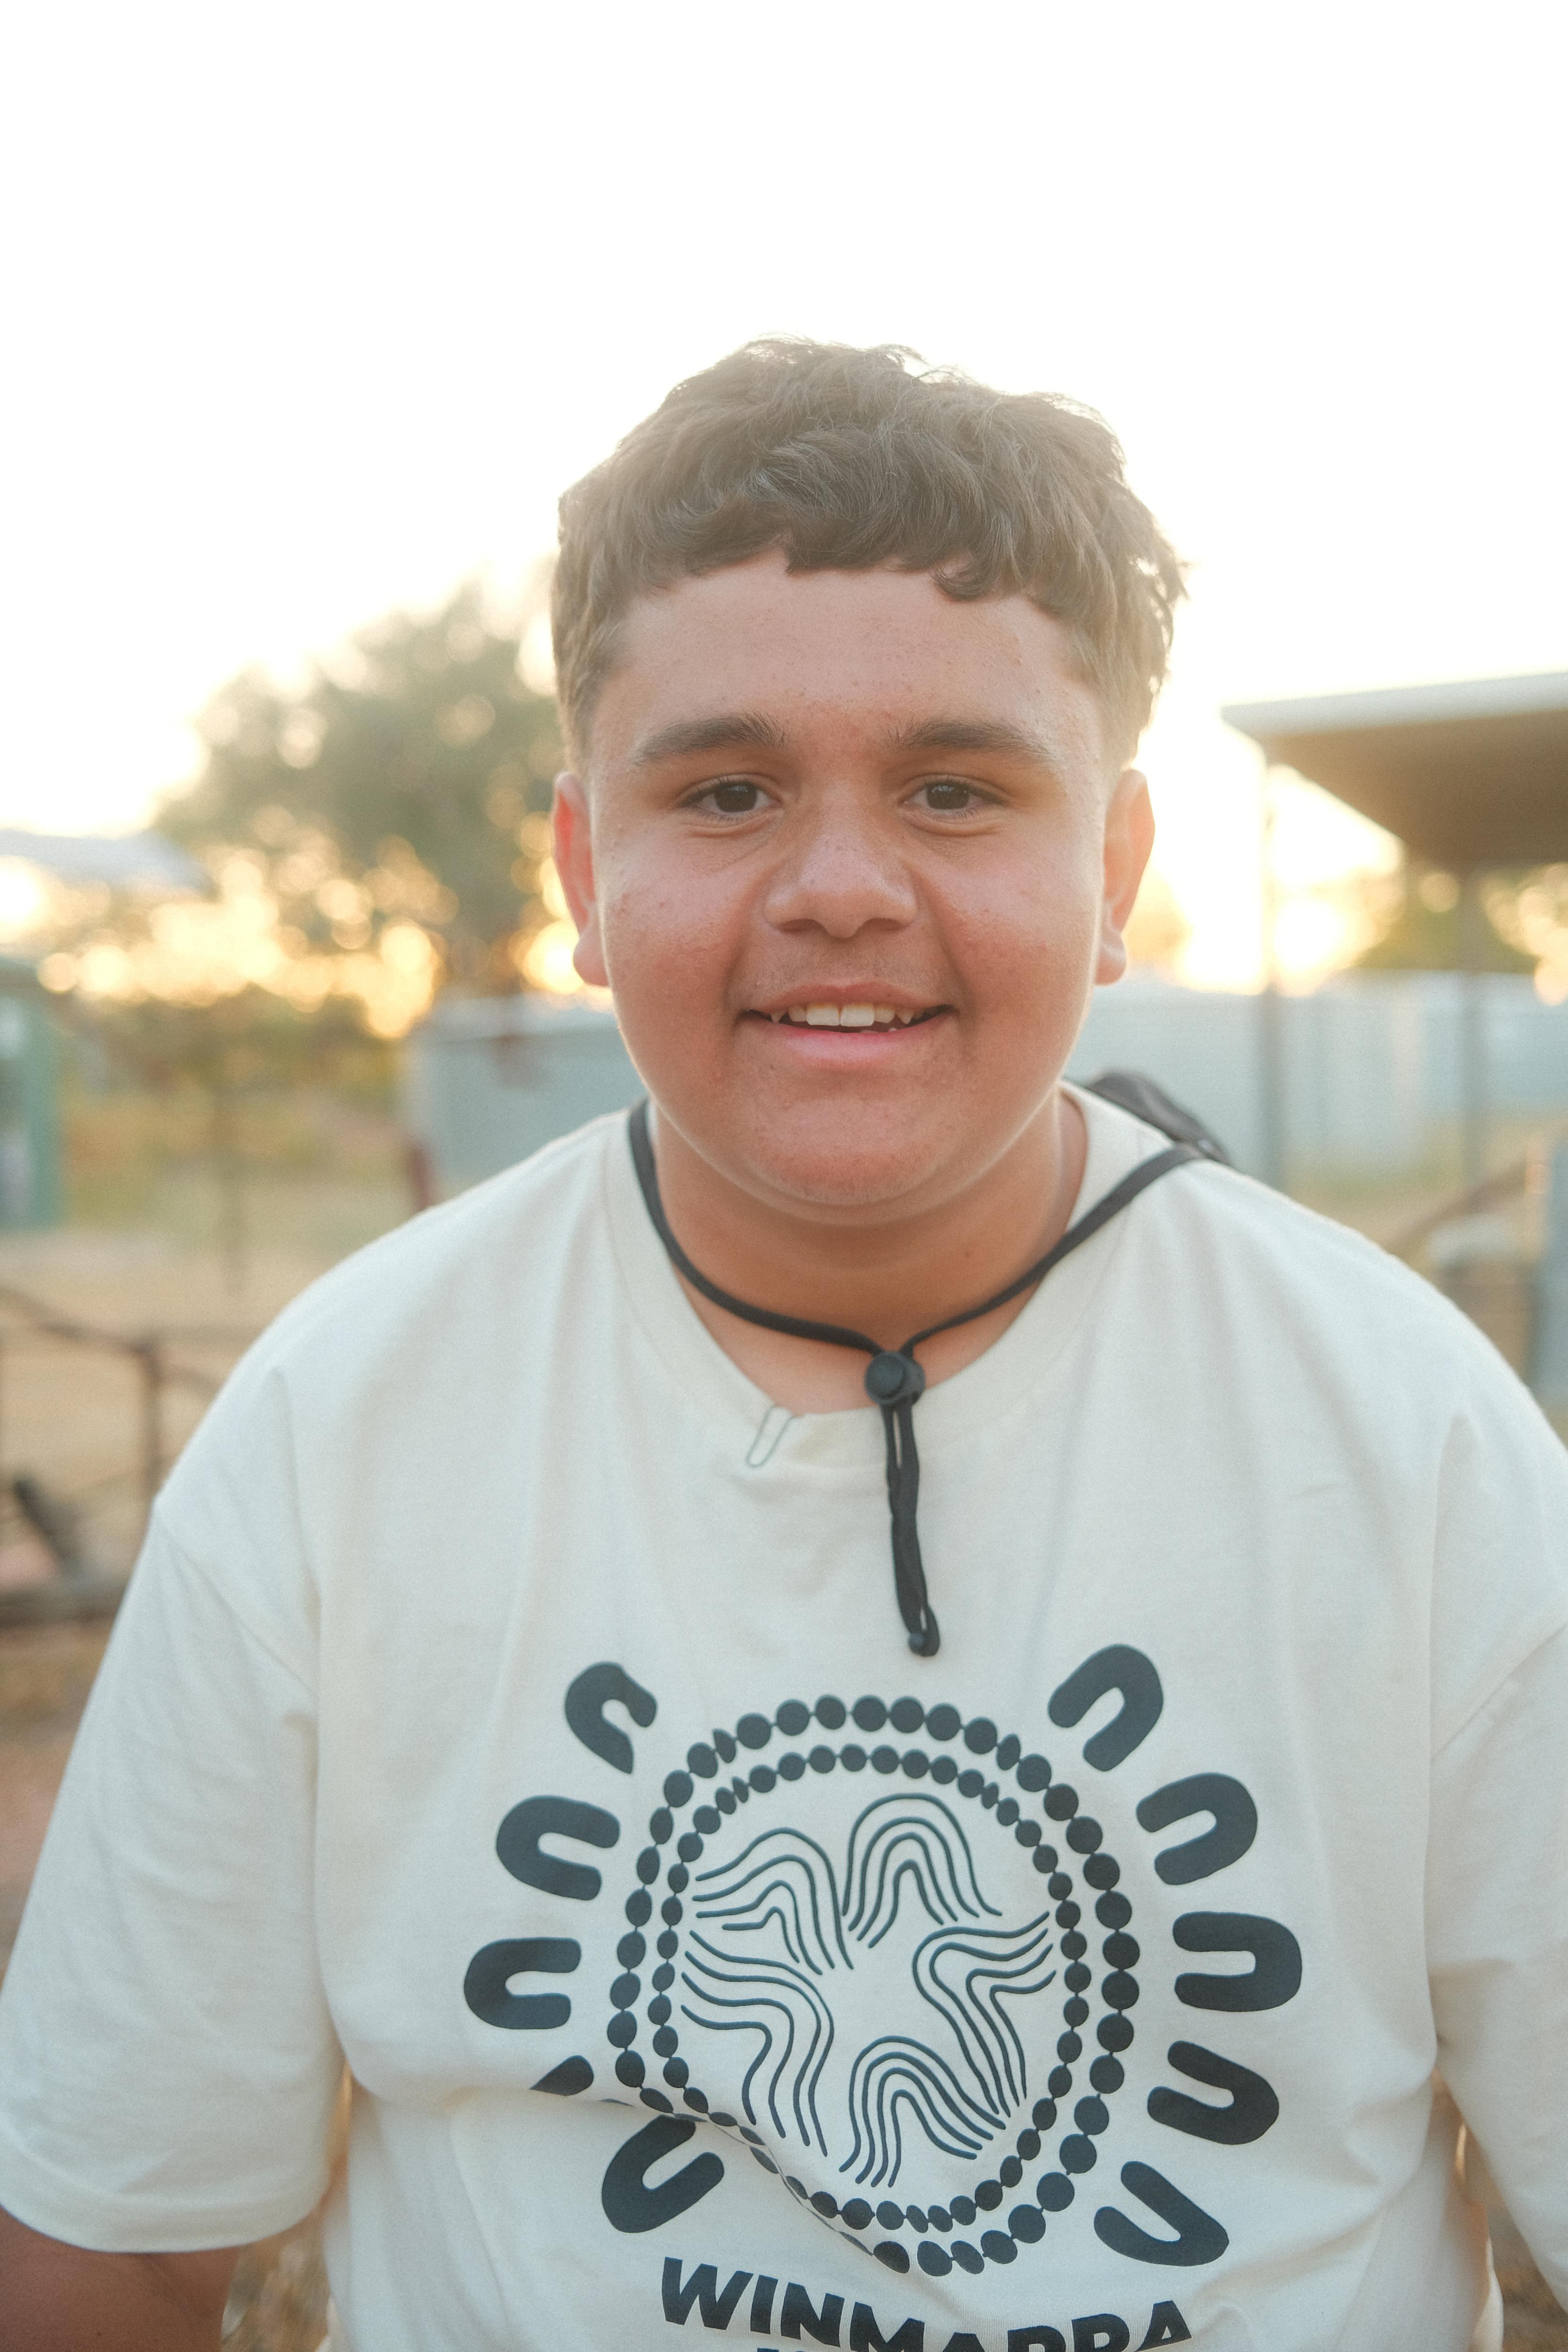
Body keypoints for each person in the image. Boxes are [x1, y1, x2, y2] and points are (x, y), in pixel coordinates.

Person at [0, 341, 1563, 2352]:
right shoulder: (344, 1422)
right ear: (582, 870)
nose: (841, 888)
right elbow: (110, 2235)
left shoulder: (1415, 1437)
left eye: (956, 787)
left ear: (1109, 875)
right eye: (726, 790)